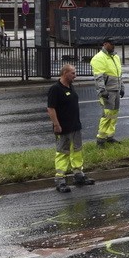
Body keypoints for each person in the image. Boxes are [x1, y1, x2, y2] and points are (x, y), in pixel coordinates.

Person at [47, 63, 94, 192]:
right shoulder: (55, 89)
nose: (75, 75)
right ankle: (60, 180)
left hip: (75, 126)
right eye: (73, 73)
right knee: (62, 153)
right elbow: (51, 109)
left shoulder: (70, 86)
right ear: (64, 73)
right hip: (63, 128)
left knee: (77, 151)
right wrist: (56, 125)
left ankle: (79, 175)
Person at [91, 37, 124, 147]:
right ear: (105, 44)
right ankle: (100, 140)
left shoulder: (115, 57)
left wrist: (122, 87)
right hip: (108, 91)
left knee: (114, 114)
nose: (113, 45)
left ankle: (110, 136)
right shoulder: (99, 58)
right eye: (111, 44)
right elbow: (98, 77)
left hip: (116, 89)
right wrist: (102, 90)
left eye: (114, 44)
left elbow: (119, 75)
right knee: (107, 115)